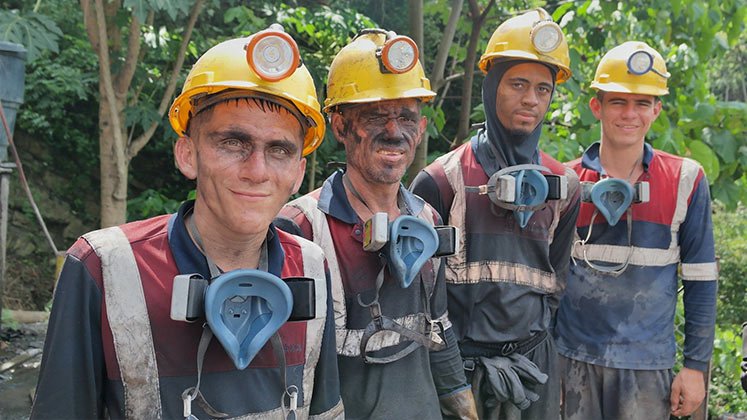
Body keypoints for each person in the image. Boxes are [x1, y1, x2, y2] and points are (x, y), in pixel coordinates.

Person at [31, 26, 343, 419]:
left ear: (299, 173)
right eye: (233, 143)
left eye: (279, 149)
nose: (257, 170)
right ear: (187, 154)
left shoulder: (312, 266)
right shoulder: (103, 268)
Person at [276, 29, 477, 419]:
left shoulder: (427, 220)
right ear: (339, 126)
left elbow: (439, 329)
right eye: (374, 116)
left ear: (420, 129)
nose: (393, 130)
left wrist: (464, 407)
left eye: (406, 116)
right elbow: (286, 366)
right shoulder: (300, 227)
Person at [409, 8, 580, 419]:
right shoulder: (440, 181)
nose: (531, 100)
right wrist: (449, 380)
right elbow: (420, 299)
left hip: (532, 373)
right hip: (460, 374)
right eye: (518, 84)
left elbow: (556, 285)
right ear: (491, 86)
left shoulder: (565, 187)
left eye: (543, 89)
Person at [553, 41, 719, 419]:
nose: (630, 114)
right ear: (597, 106)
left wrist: (695, 366)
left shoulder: (685, 179)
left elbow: (701, 279)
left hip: (647, 369)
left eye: (642, 103)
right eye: (617, 102)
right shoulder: (565, 181)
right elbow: (546, 281)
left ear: (656, 110)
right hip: (571, 362)